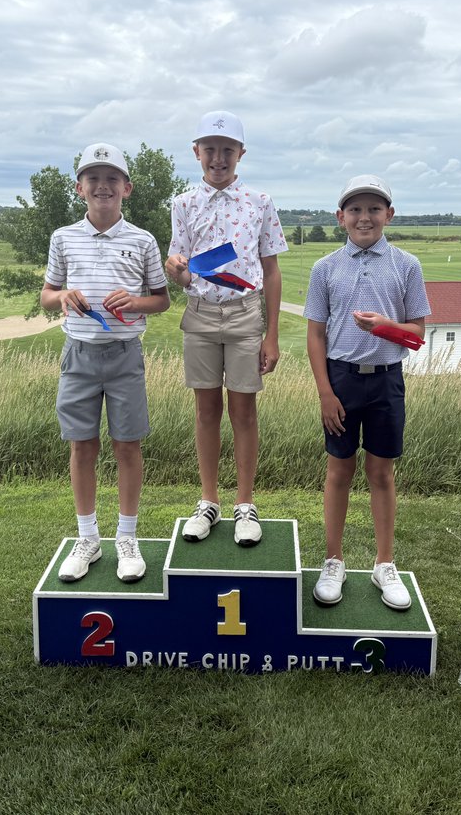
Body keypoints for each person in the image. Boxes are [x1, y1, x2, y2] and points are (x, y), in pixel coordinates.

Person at [41, 142, 170, 583]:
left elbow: (162, 300)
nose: (102, 186)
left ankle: (127, 537)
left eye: (112, 179)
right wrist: (61, 296)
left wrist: (136, 301)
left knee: (127, 445)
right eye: (93, 179)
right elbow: (46, 294)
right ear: (80, 188)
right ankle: (88, 538)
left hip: (124, 357)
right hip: (78, 355)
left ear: (126, 188)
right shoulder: (63, 237)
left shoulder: (143, 240)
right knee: (82, 445)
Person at [304, 175, 430, 610]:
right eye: (355, 209)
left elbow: (417, 335)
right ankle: (333, 560)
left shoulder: (406, 265)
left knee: (381, 474)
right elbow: (315, 335)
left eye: (374, 209)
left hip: (387, 381)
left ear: (389, 215)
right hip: (340, 380)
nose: (365, 217)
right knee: (339, 471)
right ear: (341, 218)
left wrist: (385, 327)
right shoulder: (325, 268)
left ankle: (384, 564)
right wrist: (324, 392)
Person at [164, 111, 287, 546]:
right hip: (199, 314)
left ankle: (245, 504)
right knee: (205, 410)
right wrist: (175, 268)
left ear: (240, 154)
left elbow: (271, 271)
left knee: (244, 410)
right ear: (197, 152)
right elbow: (179, 265)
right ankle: (209, 501)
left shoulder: (260, 201)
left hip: (244, 314)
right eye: (210, 149)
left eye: (227, 150)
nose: (218, 158)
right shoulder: (182, 203)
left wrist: (270, 334)